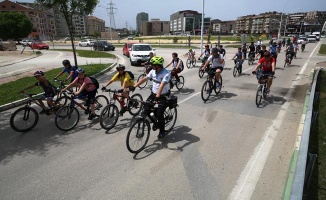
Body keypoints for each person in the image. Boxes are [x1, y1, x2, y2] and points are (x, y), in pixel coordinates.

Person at [131, 56, 171, 138]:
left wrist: (157, 97)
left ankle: (162, 131)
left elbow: (162, 86)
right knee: (146, 107)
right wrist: (134, 86)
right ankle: (154, 119)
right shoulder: (153, 71)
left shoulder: (166, 73)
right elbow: (145, 79)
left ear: (158, 65)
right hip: (154, 94)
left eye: (153, 65)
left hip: (163, 96)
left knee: (160, 114)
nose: (151, 66)